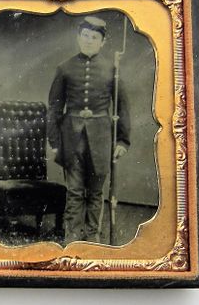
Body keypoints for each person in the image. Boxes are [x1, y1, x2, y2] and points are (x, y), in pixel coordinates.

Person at [47, 16, 130, 244]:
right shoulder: (64, 68)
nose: (89, 41)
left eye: (94, 37)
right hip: (71, 138)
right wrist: (54, 142)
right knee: (74, 192)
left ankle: (92, 240)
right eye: (85, 36)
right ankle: (72, 239)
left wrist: (122, 141)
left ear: (102, 42)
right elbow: (54, 108)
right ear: (78, 37)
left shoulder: (112, 70)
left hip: (102, 139)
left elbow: (122, 106)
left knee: (95, 193)